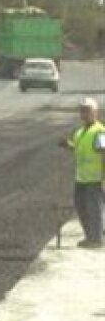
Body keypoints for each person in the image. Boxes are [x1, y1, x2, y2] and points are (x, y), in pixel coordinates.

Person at [60, 97, 105, 249]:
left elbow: (103, 151)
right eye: (82, 111)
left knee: (94, 208)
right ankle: (89, 236)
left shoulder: (99, 131)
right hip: (81, 177)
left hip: (95, 178)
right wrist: (69, 146)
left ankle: (96, 238)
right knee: (81, 207)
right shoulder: (79, 132)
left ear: (95, 112)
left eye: (87, 110)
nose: (84, 114)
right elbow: (79, 150)